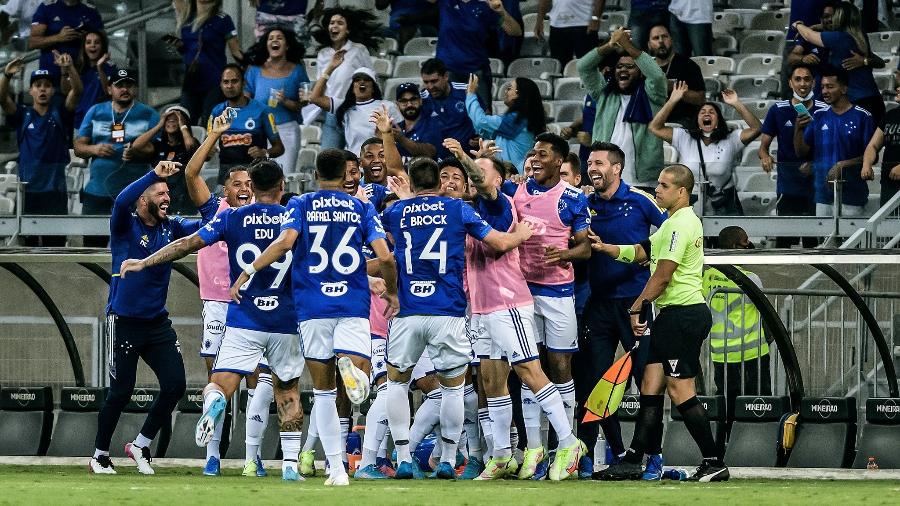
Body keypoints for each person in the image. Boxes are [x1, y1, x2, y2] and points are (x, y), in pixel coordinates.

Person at [119, 159, 307, 481]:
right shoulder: (294, 218)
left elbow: (187, 244)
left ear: (253, 187)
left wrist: (145, 261)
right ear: (281, 188)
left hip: (243, 319)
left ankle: (216, 402)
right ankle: (290, 466)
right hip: (285, 320)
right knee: (287, 389)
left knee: (219, 384)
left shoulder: (230, 217)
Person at [232, 148, 399, 487]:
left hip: (311, 308)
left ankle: (336, 470)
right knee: (360, 381)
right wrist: (393, 292)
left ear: (316, 173)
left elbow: (283, 244)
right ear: (345, 174)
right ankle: (352, 369)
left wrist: (248, 270)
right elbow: (386, 257)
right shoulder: (361, 206)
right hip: (351, 305)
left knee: (323, 394)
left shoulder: (300, 204)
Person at [381, 155, 534, 480]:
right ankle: (448, 458)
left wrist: (393, 292)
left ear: (413, 183)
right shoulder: (458, 209)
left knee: (396, 382)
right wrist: (521, 234)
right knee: (453, 388)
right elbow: (500, 243)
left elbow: (392, 255)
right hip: (447, 312)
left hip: (408, 312)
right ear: (439, 183)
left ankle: (404, 457)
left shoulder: (394, 211)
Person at [442, 140, 584, 481]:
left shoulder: (499, 205)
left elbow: (480, 184)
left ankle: (568, 442)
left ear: (492, 181)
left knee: (530, 373)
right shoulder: (467, 210)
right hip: (481, 308)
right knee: (491, 381)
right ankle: (503, 455)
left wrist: (465, 156)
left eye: (480, 175)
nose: (471, 180)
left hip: (509, 303)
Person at [593, 164, 728, 483]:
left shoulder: (681, 224)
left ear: (682, 192)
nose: (658, 189)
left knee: (681, 390)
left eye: (665, 186)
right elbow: (643, 252)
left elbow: (663, 273)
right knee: (650, 386)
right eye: (658, 184)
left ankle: (713, 461)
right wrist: (605, 248)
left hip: (683, 315)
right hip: (672, 316)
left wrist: (637, 306)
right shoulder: (670, 224)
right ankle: (634, 459)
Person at [88, 160, 218, 475]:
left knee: (175, 386)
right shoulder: (124, 225)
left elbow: (210, 221)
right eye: (159, 192)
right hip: (125, 321)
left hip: (157, 323)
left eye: (167, 192)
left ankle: (141, 444)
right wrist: (153, 174)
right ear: (143, 199)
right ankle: (99, 456)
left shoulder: (171, 227)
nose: (166, 197)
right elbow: (120, 201)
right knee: (121, 391)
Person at [185, 112, 275, 477]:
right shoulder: (214, 211)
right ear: (225, 190)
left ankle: (251, 457)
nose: (244, 187)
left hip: (255, 306)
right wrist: (213, 136)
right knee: (217, 384)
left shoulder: (267, 214)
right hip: (219, 306)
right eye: (237, 182)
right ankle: (213, 456)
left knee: (258, 382)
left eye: (249, 183)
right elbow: (190, 174)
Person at [576, 142, 666, 480]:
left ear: (617, 168)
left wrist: (649, 261)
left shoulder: (641, 201)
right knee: (594, 384)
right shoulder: (585, 204)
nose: (592, 168)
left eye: (599, 162)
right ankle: (602, 454)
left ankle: (652, 455)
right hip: (598, 305)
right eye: (589, 163)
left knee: (647, 383)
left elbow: (671, 232)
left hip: (635, 304)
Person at [504, 133, 591, 479]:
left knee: (560, 366)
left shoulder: (571, 198)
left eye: (543, 154)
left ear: (559, 161)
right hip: (523, 292)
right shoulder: (517, 190)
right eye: (533, 154)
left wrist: (564, 254)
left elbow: (584, 249)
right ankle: (534, 450)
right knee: (529, 368)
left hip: (557, 294)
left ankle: (564, 447)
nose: (535, 159)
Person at [0, 57, 81, 247]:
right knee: (29, 245)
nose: (42, 89)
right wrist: (6, 75)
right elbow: (2, 99)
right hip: (28, 190)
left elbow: (77, 91)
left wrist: (69, 67)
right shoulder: (23, 115)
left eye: (47, 85)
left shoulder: (60, 112)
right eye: (38, 85)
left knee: (56, 245)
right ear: (31, 90)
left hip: (55, 190)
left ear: (53, 90)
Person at [74, 69, 160, 247]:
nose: (124, 89)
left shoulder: (149, 114)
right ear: (109, 88)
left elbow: (154, 150)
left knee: (136, 246)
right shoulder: (95, 111)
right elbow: (78, 147)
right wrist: (95, 148)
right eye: (119, 85)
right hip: (97, 191)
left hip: (135, 193)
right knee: (91, 246)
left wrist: (136, 151)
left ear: (134, 89)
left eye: (128, 85)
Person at [577, 27, 668, 191]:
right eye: (619, 66)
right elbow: (583, 66)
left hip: (643, 182)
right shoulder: (604, 94)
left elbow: (656, 75)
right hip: (606, 180)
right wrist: (611, 45)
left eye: (630, 66)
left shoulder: (653, 95)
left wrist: (629, 47)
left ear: (640, 73)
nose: (623, 69)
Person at [649, 84, 762, 216]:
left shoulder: (731, 139)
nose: (707, 114)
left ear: (718, 121)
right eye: (702, 112)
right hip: (691, 201)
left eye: (711, 112)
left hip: (724, 202)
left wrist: (736, 103)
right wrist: (673, 100)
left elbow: (757, 128)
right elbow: (655, 127)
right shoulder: (684, 137)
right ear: (697, 121)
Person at [702, 226, 771, 426]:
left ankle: (727, 444)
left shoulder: (706, 277)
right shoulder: (750, 279)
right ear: (734, 246)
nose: (749, 246)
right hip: (753, 353)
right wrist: (770, 338)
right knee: (759, 406)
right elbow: (767, 314)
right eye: (745, 242)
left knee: (726, 406)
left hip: (721, 353)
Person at [758, 64, 828, 246]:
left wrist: (815, 163)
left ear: (813, 82)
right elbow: (762, 147)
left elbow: (831, 147)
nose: (802, 84)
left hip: (817, 185)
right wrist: (765, 156)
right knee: (785, 240)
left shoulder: (824, 109)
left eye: (807, 79)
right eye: (798, 79)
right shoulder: (778, 109)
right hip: (788, 185)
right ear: (790, 83)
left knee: (813, 242)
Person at [795, 66, 875, 217]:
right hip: (822, 195)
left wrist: (842, 165)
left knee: (851, 240)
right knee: (825, 241)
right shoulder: (818, 116)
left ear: (844, 89)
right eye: (822, 87)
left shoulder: (863, 116)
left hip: (852, 195)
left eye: (830, 87)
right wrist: (798, 129)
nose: (824, 91)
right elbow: (801, 152)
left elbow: (872, 156)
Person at [793, 2, 886, 127]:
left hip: (858, 102)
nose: (831, 19)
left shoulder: (839, 38)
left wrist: (797, 25)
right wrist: (865, 61)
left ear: (840, 18)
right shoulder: (859, 36)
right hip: (874, 100)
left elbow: (809, 36)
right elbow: (880, 62)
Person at [306, 7, 378, 148]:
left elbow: (372, 79)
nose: (334, 26)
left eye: (340, 23)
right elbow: (322, 83)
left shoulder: (359, 50)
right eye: (332, 23)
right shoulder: (323, 53)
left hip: (355, 110)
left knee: (359, 156)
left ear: (348, 29)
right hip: (333, 111)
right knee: (329, 159)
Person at [429, 0, 522, 111]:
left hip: (476, 72)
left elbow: (515, 31)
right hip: (447, 71)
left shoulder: (486, 5)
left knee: (482, 116)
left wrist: (502, 12)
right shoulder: (446, 2)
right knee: (447, 114)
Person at [244, 26, 310, 174]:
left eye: (279, 38)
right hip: (260, 130)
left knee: (284, 175)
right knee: (259, 176)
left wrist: (285, 101)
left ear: (287, 46)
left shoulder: (298, 70)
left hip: (287, 130)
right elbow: (245, 101)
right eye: (271, 38)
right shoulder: (254, 70)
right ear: (266, 45)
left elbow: (301, 105)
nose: (275, 40)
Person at [208, 64, 284, 185]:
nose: (230, 86)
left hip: (256, 177)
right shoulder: (216, 111)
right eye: (226, 82)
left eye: (234, 81)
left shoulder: (263, 110)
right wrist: (209, 151)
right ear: (221, 85)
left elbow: (279, 148)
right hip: (226, 179)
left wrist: (265, 153)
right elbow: (207, 151)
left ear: (243, 83)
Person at [171, 0, 244, 127]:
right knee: (185, 125)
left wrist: (252, 66)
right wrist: (180, 46)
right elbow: (188, 49)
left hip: (214, 80)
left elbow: (236, 51)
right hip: (191, 80)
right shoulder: (187, 17)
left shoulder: (223, 19)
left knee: (210, 125)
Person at [308, 63, 401, 156]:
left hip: (381, 161)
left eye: (367, 79)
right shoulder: (344, 107)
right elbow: (315, 98)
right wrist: (330, 67)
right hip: (356, 164)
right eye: (357, 80)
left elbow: (402, 133)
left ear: (373, 88)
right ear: (352, 88)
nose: (362, 82)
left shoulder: (387, 106)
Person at [465, 75, 546, 171]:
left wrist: (471, 94)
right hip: (510, 174)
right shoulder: (520, 119)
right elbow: (486, 129)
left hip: (515, 176)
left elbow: (480, 121)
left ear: (518, 94)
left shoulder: (517, 120)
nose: (505, 91)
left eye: (509, 88)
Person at [130, 106, 200, 216]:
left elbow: (191, 147)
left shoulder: (189, 142)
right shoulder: (158, 145)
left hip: (183, 195)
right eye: (168, 119)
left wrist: (183, 125)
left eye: (176, 119)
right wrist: (159, 126)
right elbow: (136, 146)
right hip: (160, 193)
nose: (171, 121)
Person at [646, 24, 705, 128]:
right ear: (649, 44)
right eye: (656, 38)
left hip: (681, 122)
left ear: (671, 40)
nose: (661, 41)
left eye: (664, 37)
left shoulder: (688, 65)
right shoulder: (645, 68)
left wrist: (673, 88)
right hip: (651, 120)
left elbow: (700, 99)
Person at [420, 58, 478, 159]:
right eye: (426, 82)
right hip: (436, 160)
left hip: (467, 158)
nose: (430, 86)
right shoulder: (422, 98)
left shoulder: (466, 92)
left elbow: (483, 115)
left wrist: (480, 136)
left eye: (434, 81)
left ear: (446, 76)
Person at [28, 0, 103, 77]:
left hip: (83, 74)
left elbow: (103, 42)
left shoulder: (90, 10)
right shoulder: (47, 7)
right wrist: (58, 37)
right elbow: (32, 42)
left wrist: (87, 39)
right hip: (51, 74)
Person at [787, 1, 837, 99]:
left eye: (833, 16)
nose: (830, 20)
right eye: (826, 16)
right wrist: (803, 58)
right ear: (821, 19)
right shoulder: (809, 36)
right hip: (816, 91)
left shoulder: (844, 36)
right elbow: (791, 58)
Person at [862, 84, 900, 206]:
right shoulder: (891, 115)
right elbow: (873, 145)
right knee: (887, 223)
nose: (898, 89)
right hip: (889, 183)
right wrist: (866, 164)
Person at [533, 0, 602, 66]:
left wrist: (595, 18)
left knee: (587, 66)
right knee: (559, 67)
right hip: (557, 25)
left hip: (584, 24)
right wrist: (539, 21)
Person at [73, 29, 115, 130]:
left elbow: (109, 92)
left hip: (104, 123)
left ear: (102, 46)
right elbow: (68, 93)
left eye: (97, 42)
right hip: (81, 122)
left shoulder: (110, 68)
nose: (93, 45)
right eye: (88, 42)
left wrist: (99, 67)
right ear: (83, 47)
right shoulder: (77, 69)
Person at [394, 82, 440, 159]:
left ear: (420, 101)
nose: (409, 104)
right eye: (404, 101)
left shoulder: (433, 124)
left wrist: (401, 139)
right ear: (397, 105)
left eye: (413, 99)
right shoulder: (394, 128)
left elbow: (430, 152)